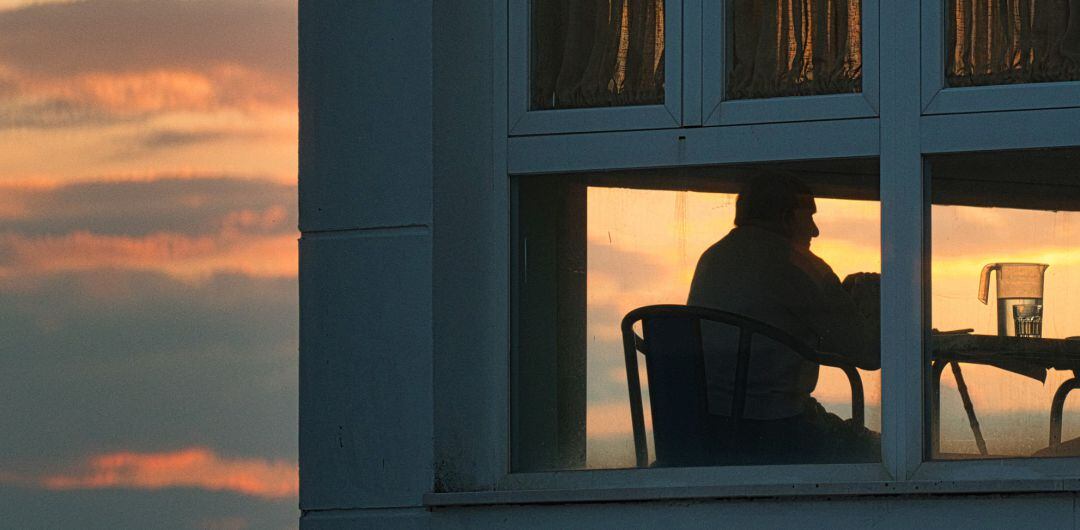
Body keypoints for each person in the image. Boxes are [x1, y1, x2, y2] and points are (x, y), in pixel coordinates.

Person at [687, 173, 880, 464]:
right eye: (810, 217)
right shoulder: (799, 266)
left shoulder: (711, 259)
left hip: (704, 431)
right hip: (776, 432)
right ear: (786, 217)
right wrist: (872, 305)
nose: (815, 231)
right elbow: (869, 354)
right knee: (886, 455)